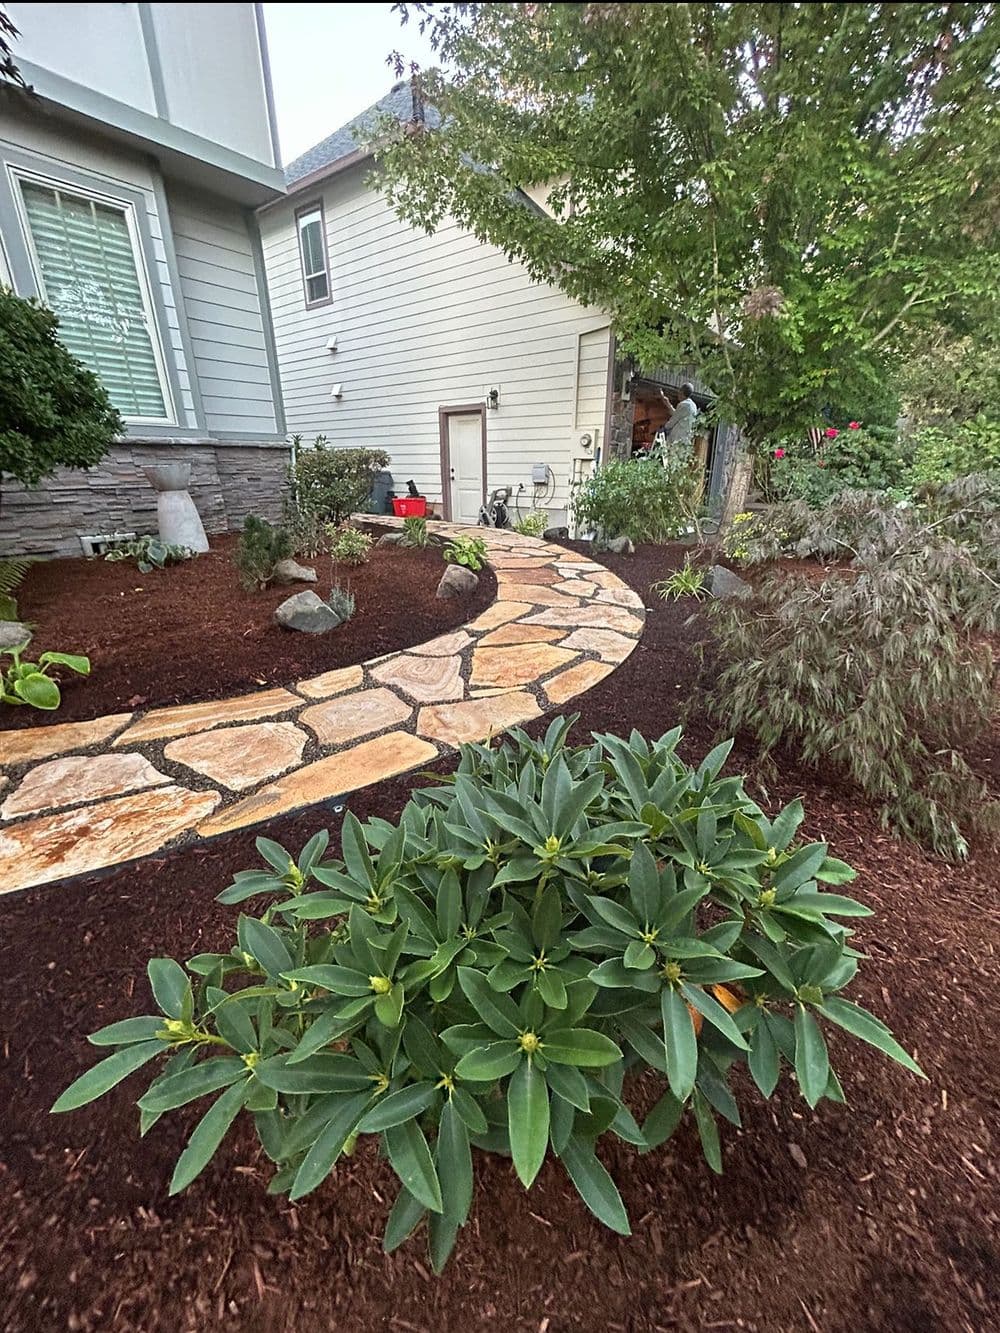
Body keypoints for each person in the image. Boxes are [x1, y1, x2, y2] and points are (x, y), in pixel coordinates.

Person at [657, 383, 699, 448]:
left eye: (679, 391)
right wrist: (667, 403)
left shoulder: (683, 404)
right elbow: (677, 415)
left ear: (681, 392)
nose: (678, 394)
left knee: (670, 455)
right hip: (685, 439)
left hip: (677, 438)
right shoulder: (693, 406)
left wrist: (664, 428)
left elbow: (674, 419)